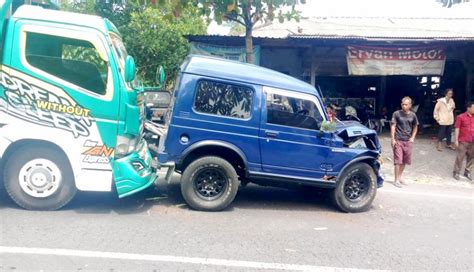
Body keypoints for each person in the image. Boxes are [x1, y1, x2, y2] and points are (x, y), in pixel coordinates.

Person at [391, 97, 419, 188]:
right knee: (398, 161)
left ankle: (399, 177)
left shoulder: (413, 115)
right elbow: (393, 126)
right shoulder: (396, 114)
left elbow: (415, 126)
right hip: (398, 140)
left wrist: (412, 138)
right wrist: (393, 139)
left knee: (404, 161)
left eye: (406, 104)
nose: (404, 106)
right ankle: (396, 180)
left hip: (408, 141)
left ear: (410, 105)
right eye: (402, 104)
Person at [453, 101, 474, 181]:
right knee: (460, 157)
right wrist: (456, 140)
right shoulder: (460, 117)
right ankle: (456, 172)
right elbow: (457, 128)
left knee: (471, 157)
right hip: (463, 140)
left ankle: (467, 172)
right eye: (473, 108)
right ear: (468, 108)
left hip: (472, 141)